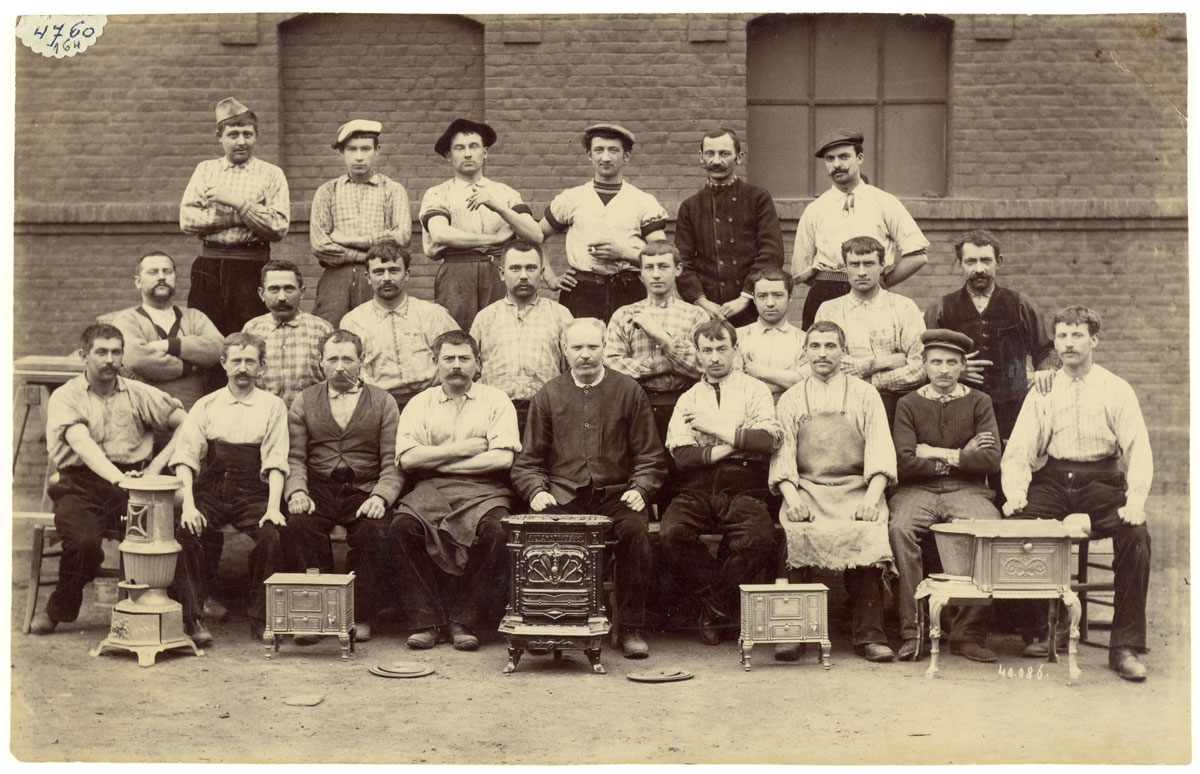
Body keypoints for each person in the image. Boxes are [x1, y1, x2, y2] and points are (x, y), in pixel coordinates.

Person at [1001, 305, 1152, 682]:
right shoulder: (1044, 388)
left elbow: (1138, 449)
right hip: (1053, 480)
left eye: (1077, 335)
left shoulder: (1116, 388)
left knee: (1136, 535)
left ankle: (1126, 646)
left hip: (1102, 482)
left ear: (1094, 340)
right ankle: (1039, 629)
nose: (1068, 344)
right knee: (1019, 525)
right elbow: (1020, 449)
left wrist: (1135, 502)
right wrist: (1016, 492)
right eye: (1062, 336)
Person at [511, 318, 668, 659]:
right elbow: (528, 460)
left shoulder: (628, 391)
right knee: (542, 535)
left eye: (592, 347)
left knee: (636, 534)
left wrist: (641, 488)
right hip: (565, 495)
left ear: (605, 348)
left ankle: (630, 627)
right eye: (577, 347)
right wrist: (536, 490)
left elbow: (650, 455)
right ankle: (549, 623)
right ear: (565, 351)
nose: (585, 355)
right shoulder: (549, 394)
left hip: (616, 495)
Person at [31, 324, 188, 636]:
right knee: (84, 543)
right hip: (79, 485)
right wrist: (122, 482)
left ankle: (184, 619)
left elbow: (187, 423)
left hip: (133, 481)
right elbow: (83, 446)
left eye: (116, 351)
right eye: (101, 352)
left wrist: (155, 467)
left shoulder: (138, 393)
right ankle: (61, 607)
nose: (109, 359)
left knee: (170, 535)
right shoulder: (67, 396)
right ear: (83, 356)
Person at [770, 321, 897, 663]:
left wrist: (872, 500)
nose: (823, 353)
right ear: (805, 352)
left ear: (843, 352)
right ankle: (793, 633)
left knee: (867, 533)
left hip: (857, 487)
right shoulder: (792, 398)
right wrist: (793, 500)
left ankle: (869, 635)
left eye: (830, 346)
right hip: (808, 489)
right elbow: (783, 457)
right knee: (796, 535)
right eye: (815, 346)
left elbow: (881, 452)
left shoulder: (866, 394)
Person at [389, 331, 521, 651]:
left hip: (485, 489)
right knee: (402, 527)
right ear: (435, 363)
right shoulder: (420, 404)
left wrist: (439, 460)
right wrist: (465, 449)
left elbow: (503, 456)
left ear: (478, 364)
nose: (456, 366)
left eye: (464, 359)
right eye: (448, 359)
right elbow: (408, 457)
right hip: (431, 488)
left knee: (497, 531)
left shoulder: (496, 400)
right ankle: (427, 621)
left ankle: (465, 620)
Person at [660, 319, 782, 645]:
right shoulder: (688, 398)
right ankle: (719, 597)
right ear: (698, 355)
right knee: (671, 533)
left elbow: (766, 440)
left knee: (758, 538)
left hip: (742, 482)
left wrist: (711, 428)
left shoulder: (754, 389)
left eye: (721, 348)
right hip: (696, 486)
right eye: (707, 350)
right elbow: (682, 455)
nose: (715, 357)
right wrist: (732, 442)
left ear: (734, 349)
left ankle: (716, 604)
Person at [888, 329, 1002, 663]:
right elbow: (905, 462)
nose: (943, 369)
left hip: (967, 490)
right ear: (923, 364)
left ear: (963, 365)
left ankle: (968, 633)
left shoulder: (980, 402)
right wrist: (961, 456)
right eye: (936, 361)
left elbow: (990, 459)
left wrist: (936, 453)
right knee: (899, 530)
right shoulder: (907, 404)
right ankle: (913, 631)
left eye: (952, 362)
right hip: (915, 490)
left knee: (988, 530)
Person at [170, 332, 290, 642]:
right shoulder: (206, 405)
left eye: (250, 361)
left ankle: (262, 618)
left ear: (261, 367)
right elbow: (185, 458)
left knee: (271, 535)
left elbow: (276, 461)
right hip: (210, 488)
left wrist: (274, 507)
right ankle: (194, 618)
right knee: (185, 532)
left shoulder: (273, 406)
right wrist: (189, 505)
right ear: (223, 364)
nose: (243, 368)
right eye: (236, 361)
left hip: (254, 490)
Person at [285, 329, 401, 643]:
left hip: (364, 488)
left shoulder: (383, 401)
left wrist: (381, 496)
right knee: (299, 525)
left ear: (361, 362)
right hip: (318, 487)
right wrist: (296, 490)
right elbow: (295, 456)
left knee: (374, 530)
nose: (340, 366)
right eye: (332, 359)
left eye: (347, 359)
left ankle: (358, 614)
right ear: (321, 363)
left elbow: (393, 460)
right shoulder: (305, 400)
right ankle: (315, 614)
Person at [924, 229, 1059, 441]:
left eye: (986, 261)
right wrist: (953, 370)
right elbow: (925, 359)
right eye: (970, 262)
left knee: (1009, 469)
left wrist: (1046, 370)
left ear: (999, 262)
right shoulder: (941, 307)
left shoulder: (1020, 304)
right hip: (959, 407)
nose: (979, 269)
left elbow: (1046, 350)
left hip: (1012, 409)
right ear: (959, 264)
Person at [792, 129, 928, 330]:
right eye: (830, 159)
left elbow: (917, 254)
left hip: (874, 292)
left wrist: (881, 280)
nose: (837, 164)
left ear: (860, 157)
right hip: (824, 294)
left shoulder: (884, 202)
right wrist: (832, 282)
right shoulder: (815, 210)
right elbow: (802, 270)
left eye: (844, 157)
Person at [180, 97, 290, 336]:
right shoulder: (206, 170)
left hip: (251, 265)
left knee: (250, 336)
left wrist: (236, 202)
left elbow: (278, 226)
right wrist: (244, 216)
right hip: (209, 265)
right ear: (219, 136)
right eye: (233, 135)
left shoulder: (271, 174)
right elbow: (187, 219)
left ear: (256, 135)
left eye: (247, 134)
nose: (241, 142)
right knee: (206, 334)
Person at [420, 118, 543, 331]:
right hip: (457, 272)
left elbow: (536, 234)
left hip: (498, 272)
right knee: (455, 334)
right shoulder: (438, 193)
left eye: (473, 146)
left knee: (501, 332)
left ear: (485, 152)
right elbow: (440, 234)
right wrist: (494, 239)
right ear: (449, 156)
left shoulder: (505, 193)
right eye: (459, 148)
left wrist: (499, 207)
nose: (467, 154)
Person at [539, 123, 669, 322]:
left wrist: (623, 253)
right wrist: (550, 278)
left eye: (614, 150)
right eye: (599, 150)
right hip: (582, 291)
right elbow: (534, 237)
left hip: (629, 290)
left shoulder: (643, 201)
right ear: (589, 155)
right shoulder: (572, 198)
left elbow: (662, 253)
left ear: (626, 156)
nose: (605, 157)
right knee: (581, 348)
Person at [675, 128, 784, 328]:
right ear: (701, 158)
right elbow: (682, 262)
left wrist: (745, 297)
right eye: (710, 153)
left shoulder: (758, 198)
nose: (716, 161)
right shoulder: (690, 206)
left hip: (752, 309)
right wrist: (702, 302)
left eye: (724, 154)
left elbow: (771, 253)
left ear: (739, 157)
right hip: (706, 312)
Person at [604, 241, 708, 447]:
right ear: (641, 274)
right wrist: (661, 364)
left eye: (663, 266)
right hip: (637, 405)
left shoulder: (696, 316)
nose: (656, 274)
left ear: (678, 269)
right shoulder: (624, 314)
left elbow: (703, 366)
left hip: (686, 405)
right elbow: (612, 367)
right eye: (649, 268)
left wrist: (660, 335)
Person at [813, 236, 925, 425]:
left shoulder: (904, 307)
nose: (862, 272)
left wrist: (869, 379)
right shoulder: (829, 310)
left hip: (898, 407)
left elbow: (918, 369)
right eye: (855, 264)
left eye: (869, 264)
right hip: (846, 407)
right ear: (845, 268)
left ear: (882, 266)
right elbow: (830, 367)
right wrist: (883, 362)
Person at [310, 119, 412, 326]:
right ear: (342, 152)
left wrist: (346, 239)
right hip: (336, 277)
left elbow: (401, 237)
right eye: (351, 149)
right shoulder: (327, 191)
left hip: (377, 276)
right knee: (330, 331)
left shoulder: (392, 189)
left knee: (379, 329)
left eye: (365, 149)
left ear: (377, 151)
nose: (358, 156)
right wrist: (367, 254)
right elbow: (320, 244)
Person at [339, 242, 460, 410]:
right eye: (379, 272)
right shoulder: (353, 322)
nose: (386, 278)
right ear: (368, 277)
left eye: (394, 270)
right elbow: (346, 372)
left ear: (407, 274)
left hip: (431, 403)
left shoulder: (433, 314)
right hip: (376, 406)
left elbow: (459, 357)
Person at [469, 240, 574, 433]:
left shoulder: (561, 315)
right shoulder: (485, 318)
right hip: (495, 413)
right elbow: (473, 371)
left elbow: (572, 370)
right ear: (502, 273)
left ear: (542, 273)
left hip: (548, 414)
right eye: (515, 268)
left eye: (531, 268)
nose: (524, 276)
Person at [101, 251, 223, 409]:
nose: (161, 277)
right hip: (145, 414)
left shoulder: (193, 316)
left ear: (175, 279)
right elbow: (137, 359)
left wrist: (168, 346)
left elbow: (219, 347)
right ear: (138, 282)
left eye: (167, 271)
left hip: (191, 414)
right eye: (153, 272)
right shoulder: (127, 320)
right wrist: (191, 365)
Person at [242, 260, 334, 407]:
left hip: (310, 416)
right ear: (261, 294)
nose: (282, 297)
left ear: (302, 292)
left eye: (289, 289)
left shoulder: (321, 329)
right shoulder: (252, 330)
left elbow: (333, 381)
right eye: (274, 289)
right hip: (264, 414)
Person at [736, 267, 808, 403]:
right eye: (762, 296)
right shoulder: (737, 337)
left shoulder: (805, 340)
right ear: (754, 299)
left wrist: (758, 372)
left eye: (777, 295)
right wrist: (786, 379)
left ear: (790, 297)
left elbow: (805, 383)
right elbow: (734, 384)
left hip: (791, 410)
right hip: (748, 411)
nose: (770, 303)